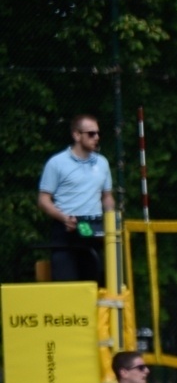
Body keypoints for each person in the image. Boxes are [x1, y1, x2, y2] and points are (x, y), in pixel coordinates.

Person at [38, 114, 114, 284]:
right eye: (91, 134)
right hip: (67, 227)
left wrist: (111, 220)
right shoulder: (56, 162)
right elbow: (43, 200)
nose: (97, 137)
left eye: (98, 133)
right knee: (67, 285)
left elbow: (107, 197)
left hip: (92, 227)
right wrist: (64, 218)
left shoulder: (102, 163)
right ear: (77, 135)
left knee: (95, 284)